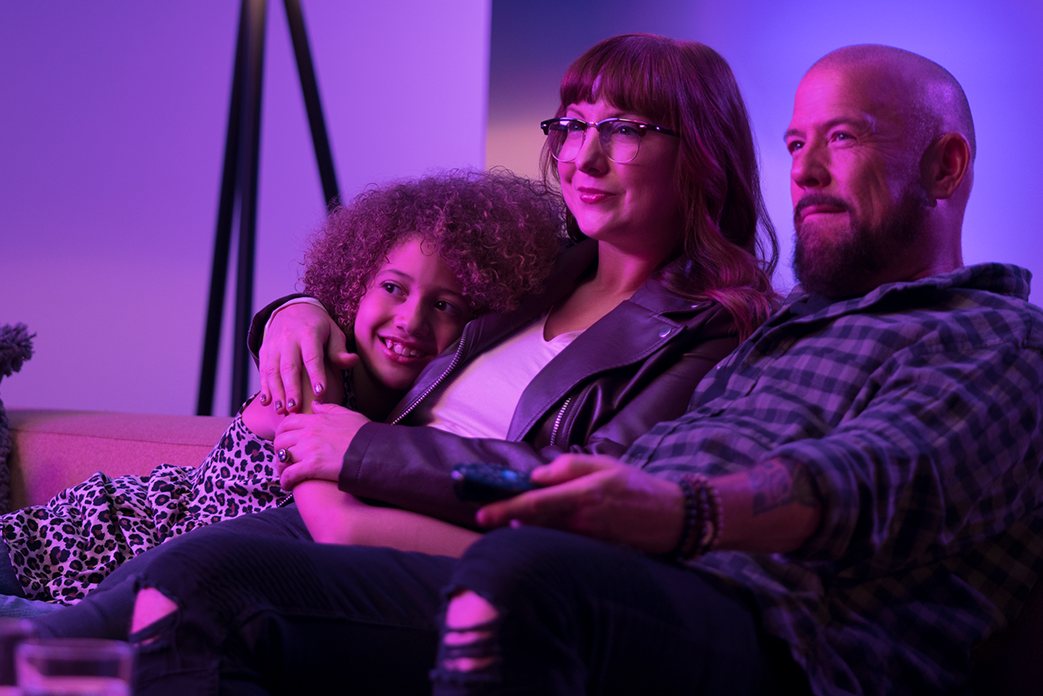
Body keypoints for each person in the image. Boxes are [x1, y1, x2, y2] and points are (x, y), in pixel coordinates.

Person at [108, 42, 1043, 695]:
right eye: (796, 143)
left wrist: (683, 511)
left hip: (779, 634)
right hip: (613, 567)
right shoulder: (782, 332)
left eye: (843, 138)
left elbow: (879, 480)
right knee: (210, 581)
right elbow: (409, 307)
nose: (803, 170)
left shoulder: (997, 340)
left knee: (521, 577)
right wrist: (296, 310)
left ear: (946, 163)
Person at [33, 32, 779, 642]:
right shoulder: (537, 271)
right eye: (574, 124)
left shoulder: (716, 327)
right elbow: (385, 288)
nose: (582, 156)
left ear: (700, 152)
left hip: (432, 545)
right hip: (327, 502)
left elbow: (590, 481)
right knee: (129, 592)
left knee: (187, 582)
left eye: (623, 129)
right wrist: (295, 311)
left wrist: (357, 454)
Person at [0, 169, 563, 607]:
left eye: (445, 305)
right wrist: (298, 310)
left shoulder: (428, 420)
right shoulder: (316, 374)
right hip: (79, 549)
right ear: (355, 284)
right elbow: (339, 524)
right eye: (393, 288)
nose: (411, 320)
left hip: (154, 584)